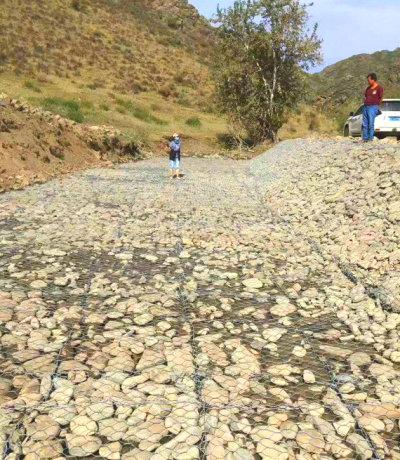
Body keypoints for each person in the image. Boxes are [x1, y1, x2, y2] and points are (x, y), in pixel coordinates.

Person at [363, 73, 384, 142]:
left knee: (370, 124)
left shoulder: (379, 88)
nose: (368, 82)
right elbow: (366, 96)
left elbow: (381, 98)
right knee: (365, 124)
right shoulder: (368, 89)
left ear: (373, 80)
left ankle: (370, 138)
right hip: (366, 107)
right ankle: (365, 138)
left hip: (373, 107)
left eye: (369, 80)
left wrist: (377, 106)